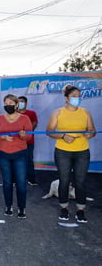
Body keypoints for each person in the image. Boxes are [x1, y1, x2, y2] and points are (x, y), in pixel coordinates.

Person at [46, 85, 96, 223]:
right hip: (63, 151)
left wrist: (90, 134)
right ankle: (64, 208)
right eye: (74, 96)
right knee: (64, 181)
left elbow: (92, 130)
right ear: (66, 98)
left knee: (80, 182)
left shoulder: (86, 112)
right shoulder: (57, 113)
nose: (77, 98)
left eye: (79, 96)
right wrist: (62, 136)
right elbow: (49, 130)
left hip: (82, 151)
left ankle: (80, 210)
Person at [0, 94, 32, 219]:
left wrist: (23, 135)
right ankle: (8, 205)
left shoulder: (24, 119)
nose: (8, 105)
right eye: (6, 103)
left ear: (16, 105)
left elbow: (29, 137)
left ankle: (21, 207)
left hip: (20, 154)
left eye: (10, 103)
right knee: (7, 182)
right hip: (3, 154)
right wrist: (2, 137)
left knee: (20, 182)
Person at [17, 96, 38, 185]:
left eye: (22, 102)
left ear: (26, 103)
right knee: (15, 160)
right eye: (18, 102)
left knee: (29, 160)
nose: (20, 103)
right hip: (16, 142)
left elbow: (34, 123)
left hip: (28, 142)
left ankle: (31, 179)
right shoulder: (14, 114)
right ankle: (15, 180)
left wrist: (26, 132)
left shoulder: (31, 113)